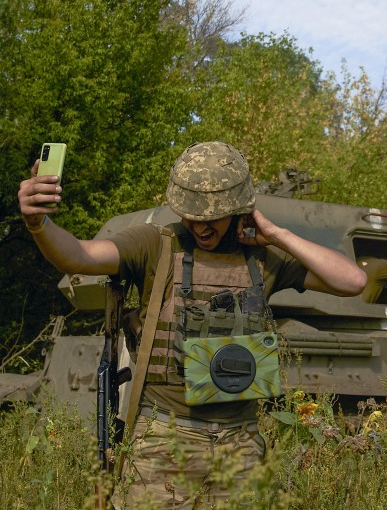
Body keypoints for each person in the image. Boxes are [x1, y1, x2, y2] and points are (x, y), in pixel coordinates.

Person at [18, 141, 366, 508]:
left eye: (212, 215)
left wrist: (278, 235)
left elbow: (353, 282)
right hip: (164, 442)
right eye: (191, 214)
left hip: (241, 445)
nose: (200, 225)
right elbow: (79, 256)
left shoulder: (263, 257)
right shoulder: (155, 244)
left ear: (236, 209)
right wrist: (37, 223)